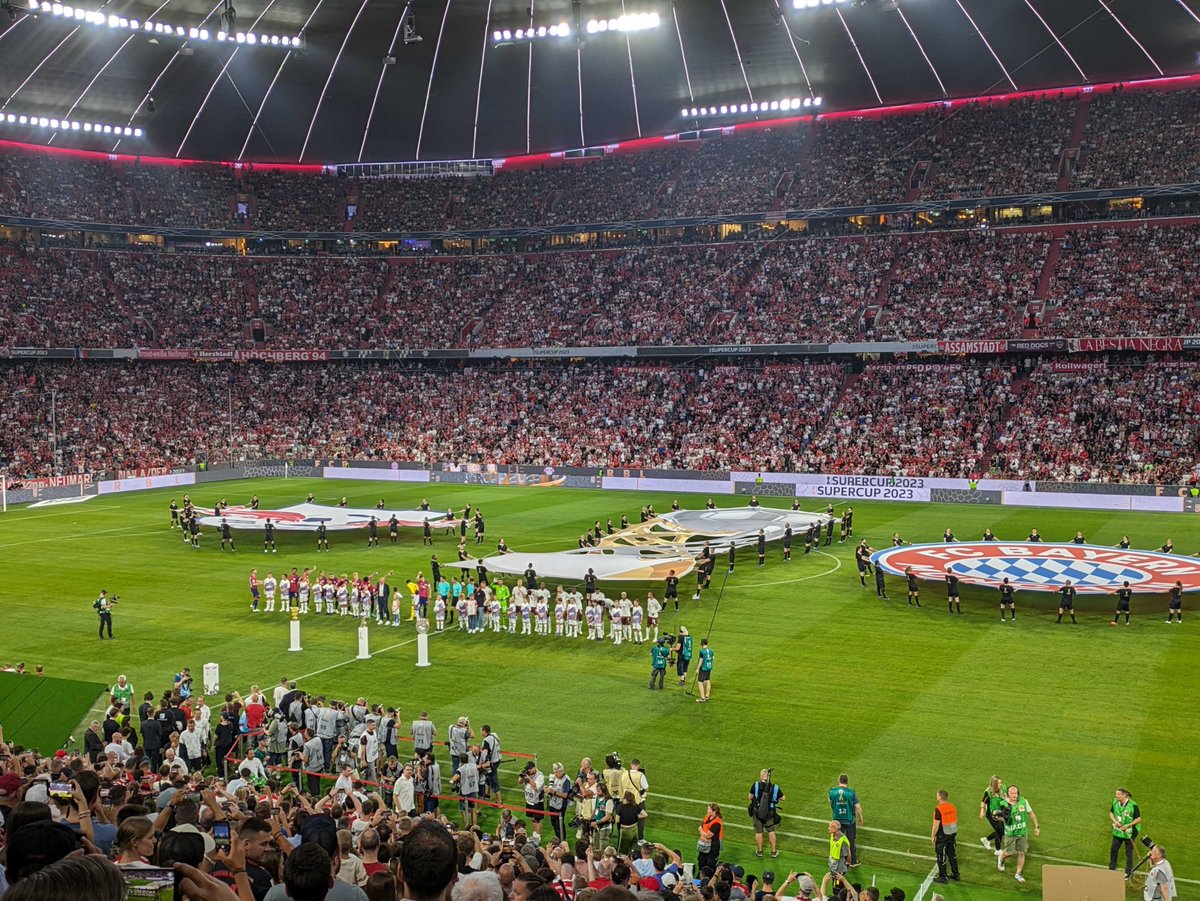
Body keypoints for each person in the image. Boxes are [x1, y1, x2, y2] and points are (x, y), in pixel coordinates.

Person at [997, 785, 1039, 883]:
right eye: (1012, 793)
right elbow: (1000, 818)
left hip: (1022, 832)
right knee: (1009, 853)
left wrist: (1036, 826)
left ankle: (1018, 874)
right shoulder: (1003, 804)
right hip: (1010, 834)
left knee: (1021, 853)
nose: (1015, 795)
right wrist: (998, 817)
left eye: (1016, 793)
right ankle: (1001, 858)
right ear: (1008, 794)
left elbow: (1031, 813)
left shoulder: (1023, 801)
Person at [828, 775, 862, 867]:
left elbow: (830, 802)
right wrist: (860, 818)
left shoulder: (832, 791)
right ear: (847, 781)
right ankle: (853, 861)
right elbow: (858, 807)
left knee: (838, 841)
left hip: (837, 821)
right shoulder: (851, 792)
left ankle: (839, 860)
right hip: (849, 820)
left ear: (839, 781)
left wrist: (834, 810)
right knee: (850, 841)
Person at [748, 770, 784, 858]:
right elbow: (783, 798)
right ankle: (773, 852)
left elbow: (750, 797)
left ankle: (759, 851)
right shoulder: (775, 787)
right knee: (771, 831)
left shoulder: (756, 785)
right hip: (769, 812)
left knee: (758, 832)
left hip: (757, 812)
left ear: (761, 776)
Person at [1109, 788, 1141, 879]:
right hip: (1118, 831)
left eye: (1118, 794)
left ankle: (1128, 872)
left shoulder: (1133, 805)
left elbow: (1138, 819)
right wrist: (1115, 821)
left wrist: (1128, 825)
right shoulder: (1115, 802)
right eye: (1116, 794)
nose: (1116, 796)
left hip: (1129, 833)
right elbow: (1111, 813)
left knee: (1128, 852)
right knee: (1114, 849)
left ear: (1124, 795)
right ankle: (1111, 868)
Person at [931, 790, 959, 884]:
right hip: (952, 833)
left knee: (941, 855)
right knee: (952, 855)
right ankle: (956, 874)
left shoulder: (938, 809)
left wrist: (933, 835)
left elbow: (936, 825)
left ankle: (943, 877)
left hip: (942, 835)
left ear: (939, 797)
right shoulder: (952, 807)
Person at [697, 803, 723, 872]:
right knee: (701, 862)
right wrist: (703, 837)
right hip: (704, 845)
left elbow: (708, 835)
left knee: (710, 865)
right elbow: (701, 828)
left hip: (712, 848)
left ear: (714, 811)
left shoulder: (717, 822)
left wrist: (701, 831)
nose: (707, 810)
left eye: (709, 809)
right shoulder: (707, 817)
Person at [696, 638, 713, 702]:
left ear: (702, 644)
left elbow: (701, 660)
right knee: (708, 681)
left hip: (704, 668)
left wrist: (697, 668)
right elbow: (713, 658)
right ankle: (707, 696)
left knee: (700, 682)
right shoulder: (711, 650)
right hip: (709, 667)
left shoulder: (702, 651)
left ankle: (702, 698)